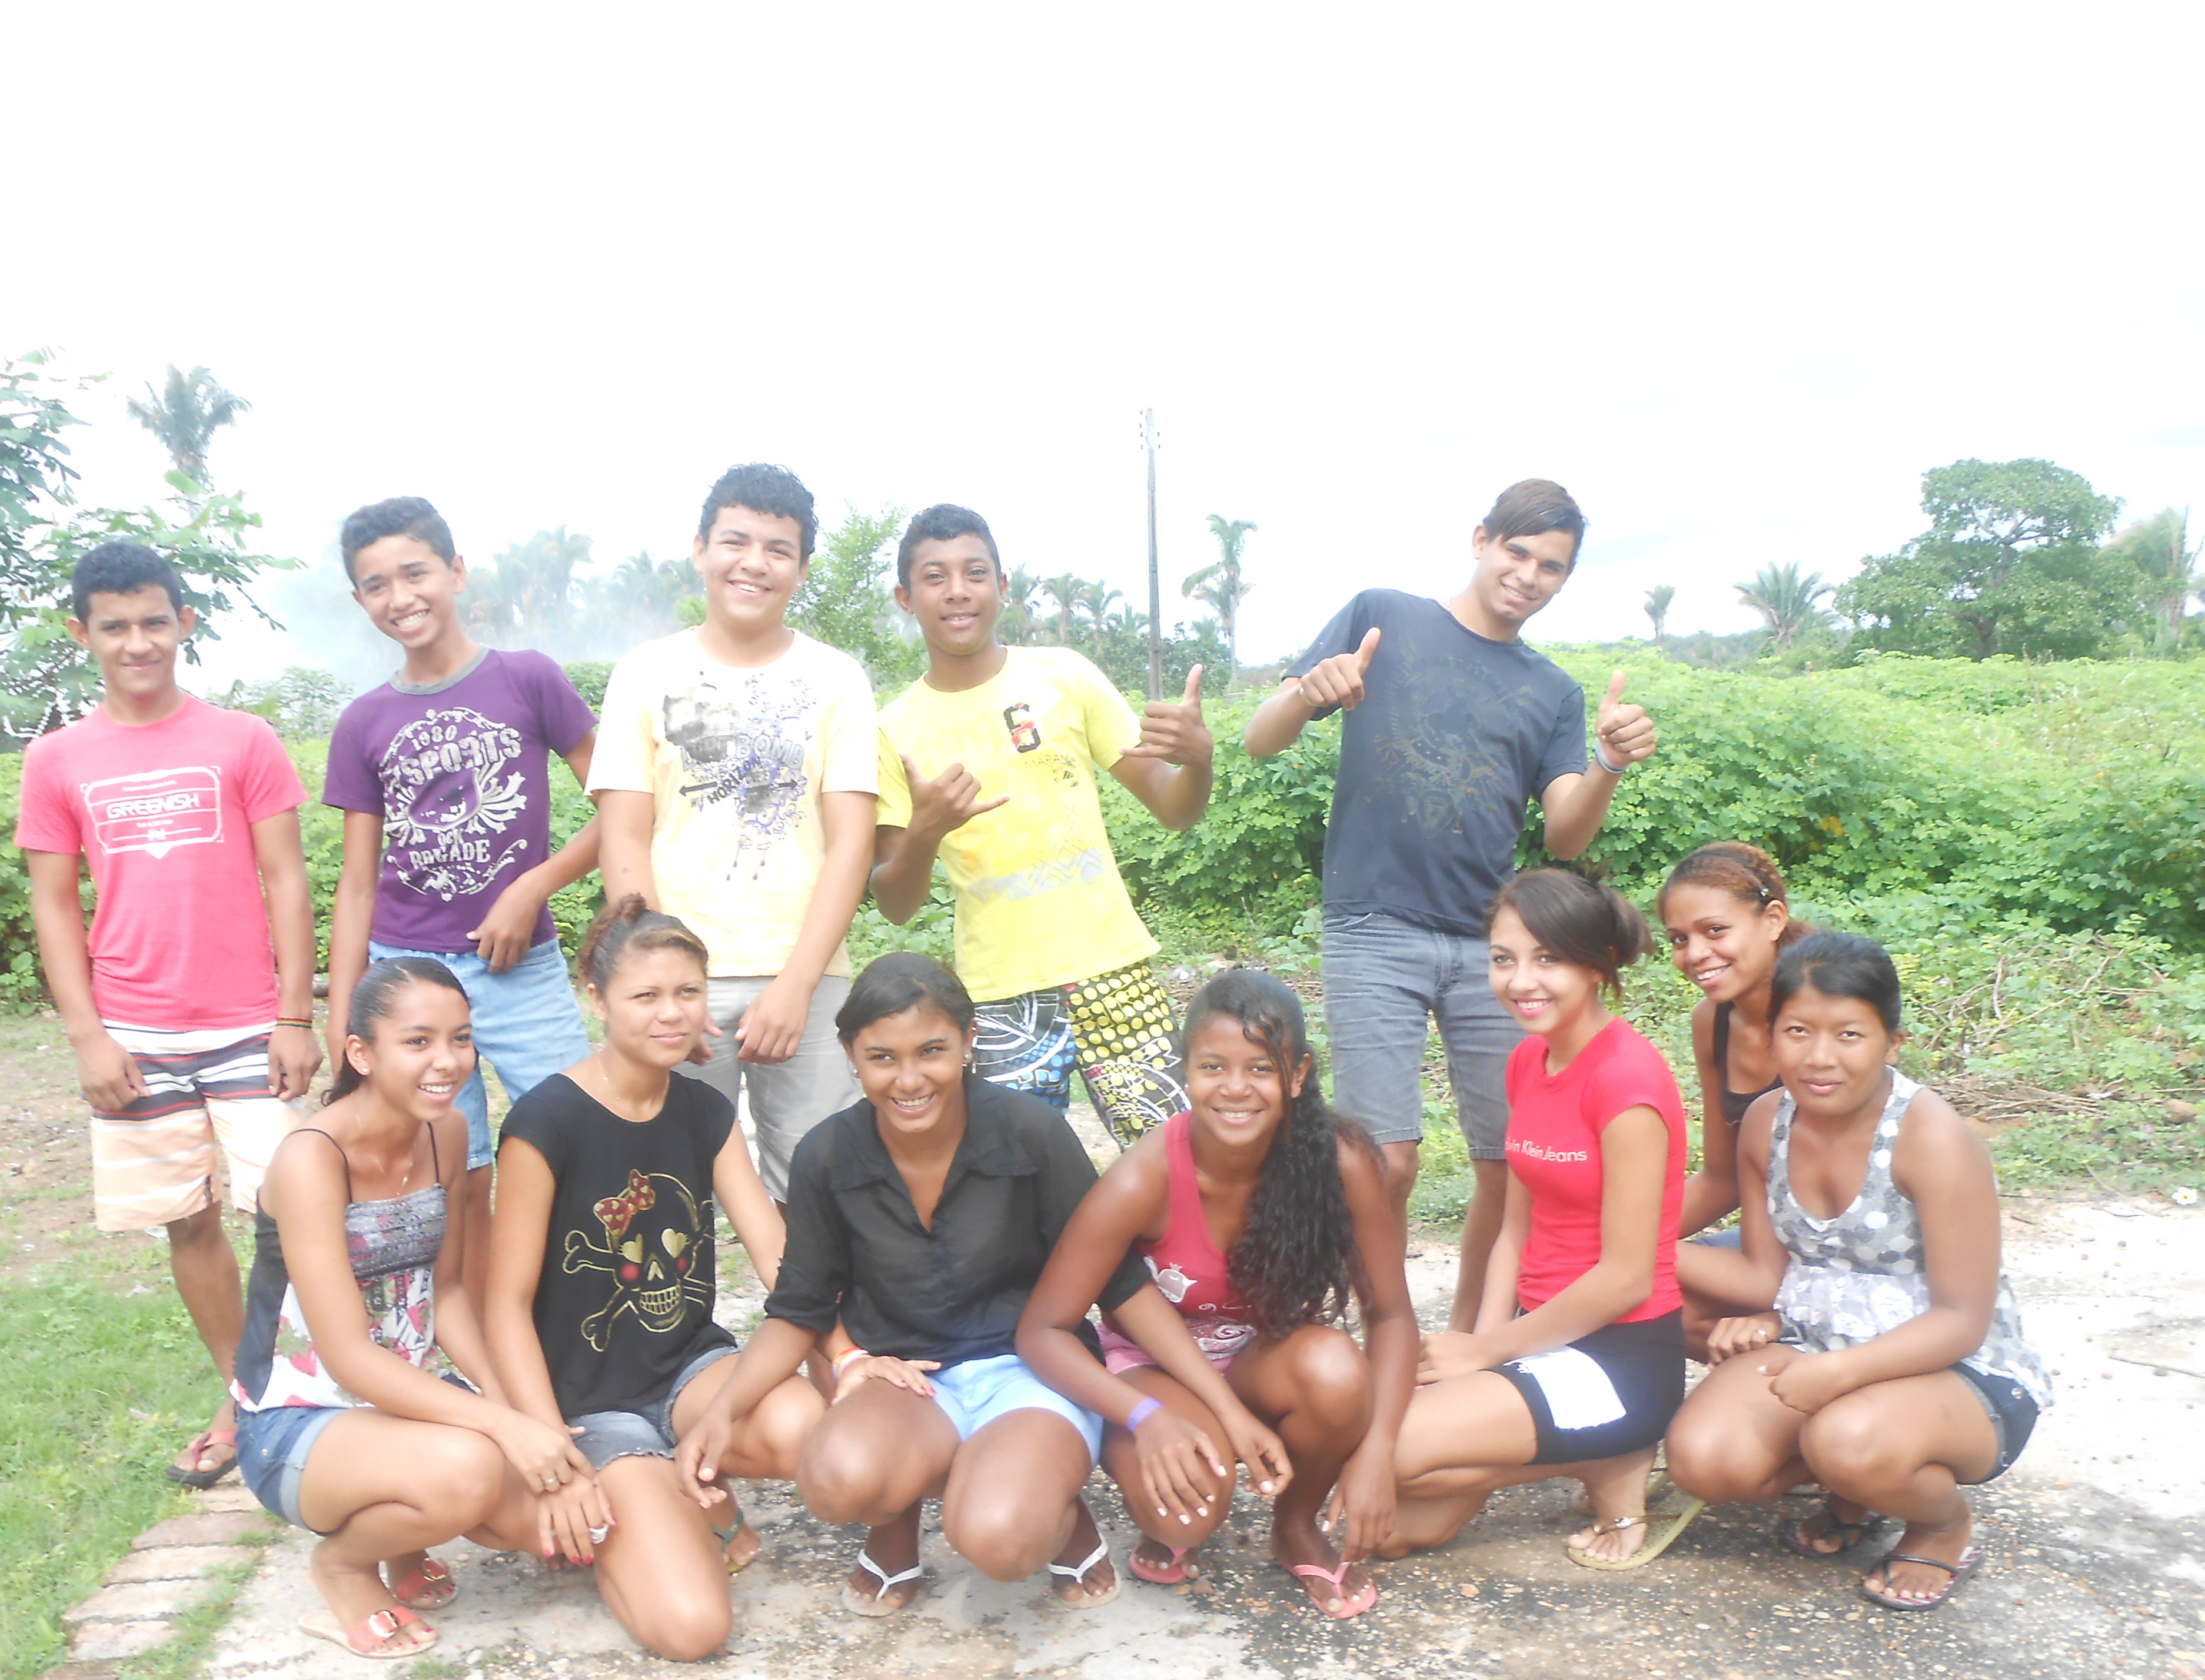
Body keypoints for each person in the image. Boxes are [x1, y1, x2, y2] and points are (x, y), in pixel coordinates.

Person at [1243, 480, 1658, 1332]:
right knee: (1383, 1161)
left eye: (1553, 568)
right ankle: (1384, 1338)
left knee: (1511, 1165)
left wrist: (1610, 764)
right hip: (1373, 926)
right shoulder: (1382, 616)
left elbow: (1567, 837)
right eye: (1518, 552)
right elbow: (1259, 738)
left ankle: (1472, 1342)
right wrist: (1307, 692)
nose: (1530, 576)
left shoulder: (1553, 692)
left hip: (1492, 951)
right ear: (1481, 539)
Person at [677, 954, 1147, 1618]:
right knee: (835, 1481)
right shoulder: (827, 1156)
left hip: (1033, 1371)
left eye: (931, 1051)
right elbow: (798, 1308)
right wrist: (722, 1412)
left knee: (999, 1539)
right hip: (912, 1380)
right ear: (850, 1055)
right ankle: (898, 1510)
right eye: (882, 1057)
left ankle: (1059, 1511)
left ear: (968, 1040)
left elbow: (1118, 1278)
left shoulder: (1030, 1133)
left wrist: (1163, 1405)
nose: (908, 1079)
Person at [18, 541, 322, 1490]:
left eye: (155, 621)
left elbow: (285, 876)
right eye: (115, 626)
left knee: (293, 1211)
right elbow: (55, 904)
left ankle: (326, 1382)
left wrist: (293, 1012)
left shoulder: (243, 741)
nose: (137, 642)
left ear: (185, 623)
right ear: (82, 635)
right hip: (136, 1037)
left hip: (245, 1025)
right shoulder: (57, 758)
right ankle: (242, 1396)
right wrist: (88, 1035)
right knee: (188, 1222)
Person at [1661, 933, 2053, 1612]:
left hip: (1953, 1366)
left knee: (1845, 1436)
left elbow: (1963, 1319)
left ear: (1893, 1042)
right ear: (1771, 1034)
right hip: (1814, 1344)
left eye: (1849, 1034)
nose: (1820, 1057)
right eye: (1798, 1031)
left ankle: (1940, 1523)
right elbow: (1764, 1272)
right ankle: (1858, 1487)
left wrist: (1837, 1376)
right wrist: (1764, 1318)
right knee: (1704, 1458)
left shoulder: (1932, 1139)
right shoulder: (1764, 1124)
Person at [1013, 970, 1421, 1618]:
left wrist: (1376, 1452)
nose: (1235, 1088)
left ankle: (1294, 1523)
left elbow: (1393, 1315)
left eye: (1260, 1068)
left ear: (1297, 1075)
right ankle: (1169, 1483)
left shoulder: (1340, 1164)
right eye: (1213, 1066)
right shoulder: (1145, 1176)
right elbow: (1042, 1331)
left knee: (1337, 1371)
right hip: (1157, 1371)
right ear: (1186, 1072)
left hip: (1263, 1364)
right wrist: (1144, 1418)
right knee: (1187, 1517)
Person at [484, 896, 826, 1660]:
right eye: (645, 996)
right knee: (692, 1628)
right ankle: (628, 1520)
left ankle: (676, 1488)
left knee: (809, 1430)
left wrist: (856, 1359)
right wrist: (556, 1458)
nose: (671, 1014)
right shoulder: (545, 1123)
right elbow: (503, 1305)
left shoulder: (705, 1111)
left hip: (689, 1373)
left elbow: (777, 1259)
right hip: (587, 1405)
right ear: (597, 1000)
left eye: (687, 993)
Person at [231, 959, 583, 1659]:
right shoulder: (310, 1159)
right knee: (473, 1471)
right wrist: (503, 1425)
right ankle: (344, 1568)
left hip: (408, 1399)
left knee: (553, 1521)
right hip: (302, 1417)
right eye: (418, 1042)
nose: (447, 1062)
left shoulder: (444, 1131)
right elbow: (348, 1358)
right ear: (361, 1053)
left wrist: (523, 1406)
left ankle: (407, 1541)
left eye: (461, 1039)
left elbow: (447, 1291)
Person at [1378, 870, 1700, 1571]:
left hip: (1617, 1358)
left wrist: (1485, 1355)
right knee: (1389, 1527)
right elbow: (1514, 1233)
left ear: (1596, 964)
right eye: (1503, 958)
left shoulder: (1628, 1083)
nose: (1521, 980)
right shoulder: (1529, 1060)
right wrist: (1485, 1345)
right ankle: (1590, 1462)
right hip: (1538, 1337)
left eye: (1547, 958)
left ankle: (1617, 1451)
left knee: (1389, 1450)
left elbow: (1624, 1279)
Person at [323, 495, 601, 1296]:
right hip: (408, 975)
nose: (400, 597)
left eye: (415, 572)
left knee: (571, 1139)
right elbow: (358, 882)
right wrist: (348, 1014)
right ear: (360, 601)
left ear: (456, 571)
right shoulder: (363, 722)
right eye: (376, 585)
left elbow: (622, 807)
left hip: (523, 971)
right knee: (455, 1171)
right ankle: (472, 1334)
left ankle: (578, 1315)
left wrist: (532, 889)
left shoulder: (528, 680)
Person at [870, 503, 1216, 1139]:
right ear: (905, 597)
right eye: (935, 576)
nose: (957, 591)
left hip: (1114, 969)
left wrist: (1198, 763)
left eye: (975, 572)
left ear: (1002, 587)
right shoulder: (894, 732)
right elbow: (894, 900)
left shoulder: (1066, 676)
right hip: (1000, 995)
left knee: (1174, 1164)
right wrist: (927, 829)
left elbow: (1173, 808)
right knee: (1016, 1183)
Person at [588, 463, 878, 1200]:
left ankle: (809, 1317)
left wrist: (797, 982)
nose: (754, 563)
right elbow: (624, 835)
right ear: (700, 549)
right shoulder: (644, 672)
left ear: (803, 567)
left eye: (778, 549)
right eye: (736, 542)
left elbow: (852, 842)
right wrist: (657, 983)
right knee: (664, 1184)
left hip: (804, 977)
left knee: (817, 1181)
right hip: (680, 980)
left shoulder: (837, 678)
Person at [1657, 841, 1810, 1344]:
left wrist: (1631, 1245)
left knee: (1642, 1271)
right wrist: (1610, 1235)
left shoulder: (1825, 1011)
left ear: (1772, 920)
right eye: (1679, 939)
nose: (1696, 954)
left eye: (1715, 930)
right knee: (1658, 1306)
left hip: (1853, 1247)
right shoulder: (1713, 1022)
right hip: (1770, 1249)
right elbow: (1722, 1178)